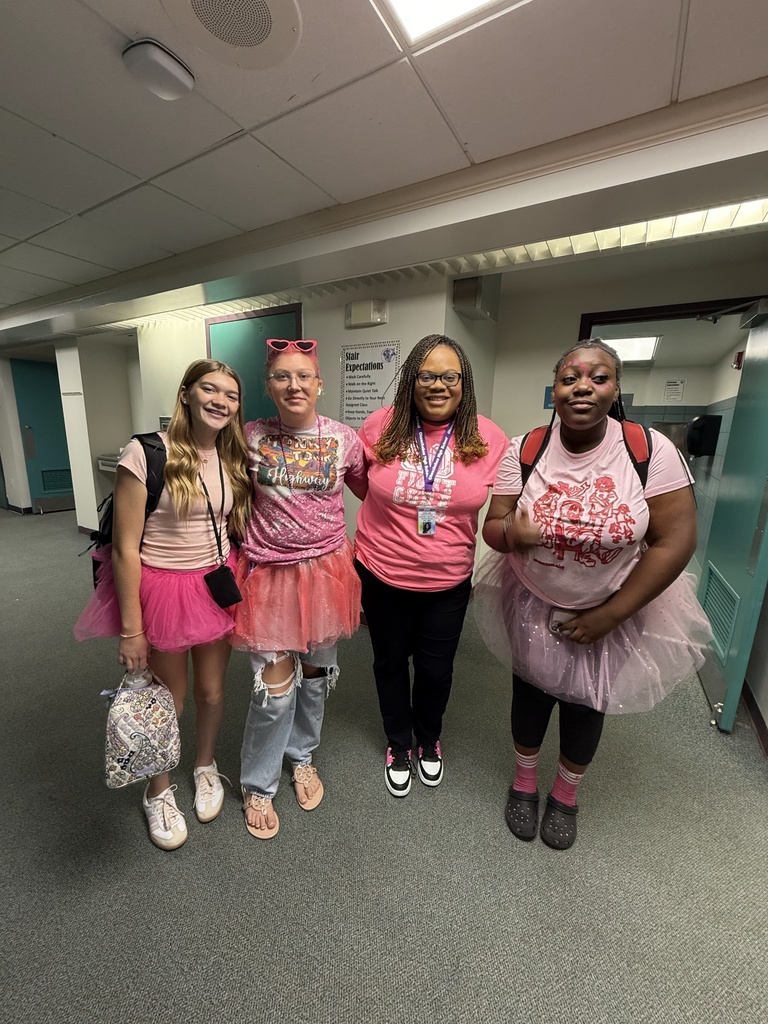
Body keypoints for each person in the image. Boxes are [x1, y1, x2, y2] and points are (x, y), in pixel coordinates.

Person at [476, 339, 711, 850]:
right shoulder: (526, 448)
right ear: (554, 391)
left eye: (598, 377)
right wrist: (517, 535)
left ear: (615, 388)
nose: (583, 386)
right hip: (533, 596)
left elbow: (675, 541)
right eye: (570, 378)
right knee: (530, 695)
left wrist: (611, 615)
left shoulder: (649, 451)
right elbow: (493, 528)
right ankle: (524, 783)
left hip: (615, 603)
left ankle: (566, 794)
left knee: (588, 703)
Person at [74, 359, 251, 850]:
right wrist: (133, 630)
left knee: (213, 693)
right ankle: (158, 790)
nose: (220, 401)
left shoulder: (231, 454)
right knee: (167, 701)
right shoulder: (146, 452)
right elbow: (125, 548)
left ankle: (205, 765)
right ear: (187, 394)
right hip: (163, 589)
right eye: (209, 389)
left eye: (231, 395)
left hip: (216, 584)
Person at [354, 333, 508, 797]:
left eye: (449, 376)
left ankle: (428, 740)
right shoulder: (381, 425)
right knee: (388, 663)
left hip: (447, 581)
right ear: (410, 380)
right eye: (427, 374)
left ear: (464, 383)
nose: (437, 385)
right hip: (381, 572)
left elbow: (499, 503)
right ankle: (398, 742)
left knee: (437, 670)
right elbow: (364, 486)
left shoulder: (488, 437)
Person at [232, 339, 367, 839]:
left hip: (328, 574)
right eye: (283, 377)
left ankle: (302, 756)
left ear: (319, 384)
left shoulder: (344, 439)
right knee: (274, 688)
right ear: (269, 387)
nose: (294, 385)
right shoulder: (248, 436)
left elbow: (374, 490)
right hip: (268, 577)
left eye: (304, 376)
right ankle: (258, 784)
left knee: (314, 677)